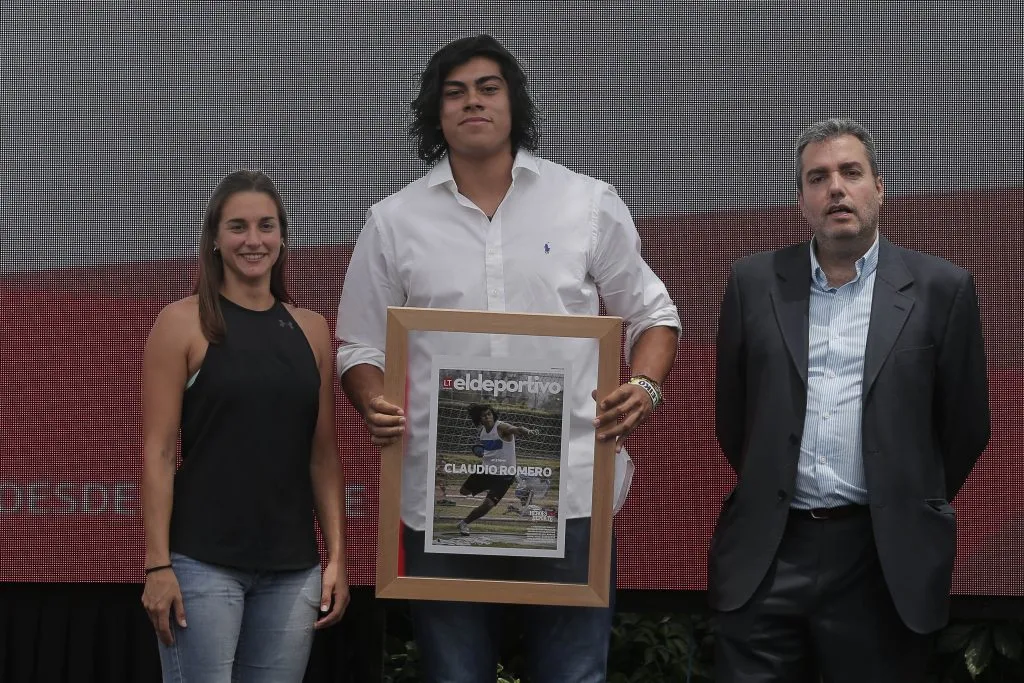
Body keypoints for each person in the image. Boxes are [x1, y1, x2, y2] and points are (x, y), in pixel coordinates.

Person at [336, 34, 679, 683]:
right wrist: (372, 398)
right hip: (444, 499)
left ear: (514, 104)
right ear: (435, 113)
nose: (473, 103)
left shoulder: (586, 202)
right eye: (455, 92)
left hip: (570, 490)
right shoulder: (393, 221)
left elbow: (654, 314)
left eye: (488, 88)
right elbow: (358, 347)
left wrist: (645, 385)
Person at [710, 118, 991, 682]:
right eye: (818, 177)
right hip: (770, 553)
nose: (835, 188)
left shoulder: (942, 289)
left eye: (850, 172)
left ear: (879, 187)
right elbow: (735, 419)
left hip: (882, 561)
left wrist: (901, 493)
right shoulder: (752, 282)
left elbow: (965, 427)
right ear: (801, 200)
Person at [140, 170, 350, 683]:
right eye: (237, 227)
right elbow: (159, 454)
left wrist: (338, 558)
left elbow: (322, 456)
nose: (253, 240)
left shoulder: (312, 330)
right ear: (214, 238)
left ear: (281, 236)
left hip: (294, 571)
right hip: (202, 565)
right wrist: (157, 566)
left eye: (265, 226)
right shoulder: (182, 323)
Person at [456, 403, 537, 534]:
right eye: (483, 416)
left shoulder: (501, 427)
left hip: (504, 475)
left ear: (493, 415)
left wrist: (527, 431)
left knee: (488, 504)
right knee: (463, 491)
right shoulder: (482, 432)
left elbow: (515, 429)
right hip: (486, 470)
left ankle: (463, 523)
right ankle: (489, 489)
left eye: (489, 414)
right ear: (479, 419)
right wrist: (482, 453)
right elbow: (491, 448)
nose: (487, 417)